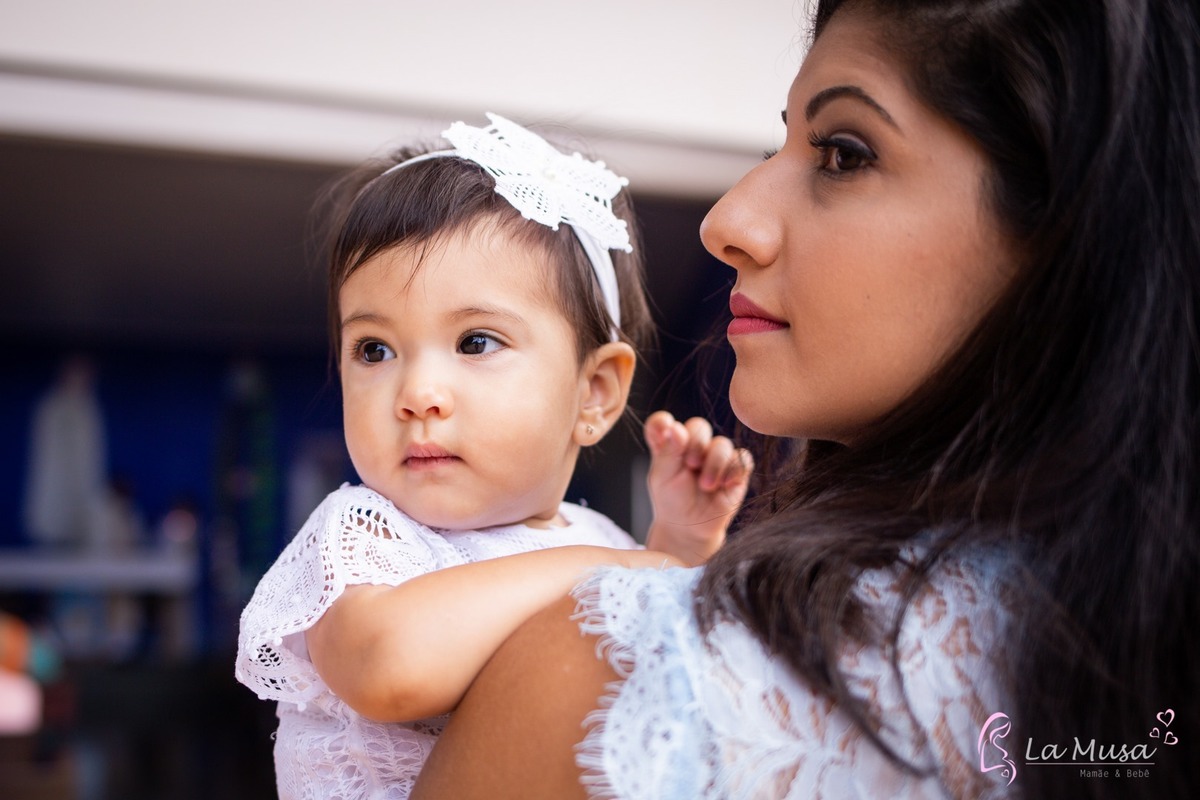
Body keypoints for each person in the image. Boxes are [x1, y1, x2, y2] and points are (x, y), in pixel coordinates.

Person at [411, 1, 1200, 798]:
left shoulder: (629, 686)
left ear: (1068, 235)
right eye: (778, 143)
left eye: (843, 154)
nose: (728, 221)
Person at [234, 114, 752, 799]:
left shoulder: (600, 541)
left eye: (476, 342)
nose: (417, 394)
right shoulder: (363, 535)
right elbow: (389, 668)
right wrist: (618, 569)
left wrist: (674, 550)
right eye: (374, 349)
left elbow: (633, 673)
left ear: (594, 394)